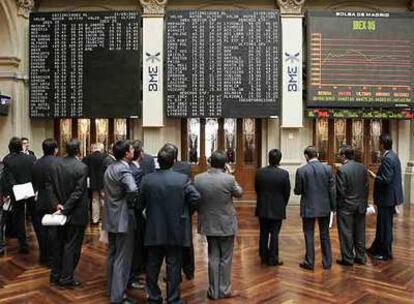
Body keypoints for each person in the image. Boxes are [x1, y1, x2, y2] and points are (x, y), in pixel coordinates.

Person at [139, 146, 200, 304]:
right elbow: (196, 198)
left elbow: (139, 204)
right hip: (176, 229)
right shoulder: (182, 179)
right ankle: (173, 299)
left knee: (152, 265)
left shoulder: (147, 180)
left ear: (157, 162)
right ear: (174, 161)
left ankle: (154, 297)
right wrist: (186, 212)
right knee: (173, 266)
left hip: (153, 228)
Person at [194, 151, 243, 300]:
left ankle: (213, 291)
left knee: (213, 256)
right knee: (226, 258)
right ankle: (224, 290)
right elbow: (239, 193)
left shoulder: (198, 178)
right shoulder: (229, 179)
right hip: (226, 223)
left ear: (210, 162)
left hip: (208, 222)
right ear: (225, 164)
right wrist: (229, 173)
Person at [47, 139, 88, 288]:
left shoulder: (55, 164)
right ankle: (66, 278)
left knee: (58, 245)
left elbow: (48, 186)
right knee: (72, 247)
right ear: (78, 150)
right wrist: (64, 208)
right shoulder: (81, 167)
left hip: (58, 212)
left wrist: (56, 205)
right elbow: (78, 192)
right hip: (75, 213)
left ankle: (55, 276)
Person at [103, 140, 138, 304]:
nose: (133, 151)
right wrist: (130, 202)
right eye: (131, 150)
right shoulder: (124, 168)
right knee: (122, 258)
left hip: (110, 216)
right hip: (123, 217)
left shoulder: (110, 166)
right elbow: (132, 189)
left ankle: (110, 289)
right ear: (126, 154)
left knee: (112, 254)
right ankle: (118, 296)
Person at [294, 146, 336, 271]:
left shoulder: (301, 170)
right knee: (325, 235)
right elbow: (332, 190)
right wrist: (333, 208)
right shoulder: (328, 169)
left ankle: (309, 262)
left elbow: (298, 191)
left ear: (306, 156)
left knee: (309, 234)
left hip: (308, 206)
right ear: (317, 155)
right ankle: (327, 262)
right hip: (324, 206)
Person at [367, 134, 403, 261]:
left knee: (385, 226)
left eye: (379, 142)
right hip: (389, 197)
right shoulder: (393, 155)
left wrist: (374, 176)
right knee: (382, 225)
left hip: (387, 198)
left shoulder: (388, 158)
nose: (378, 144)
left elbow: (386, 179)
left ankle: (386, 253)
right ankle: (376, 247)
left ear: (382, 144)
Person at [163, 143, 195, 280]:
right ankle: (189, 271)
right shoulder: (186, 166)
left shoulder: (163, 168)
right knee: (187, 243)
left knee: (170, 245)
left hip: (167, 210)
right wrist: (191, 210)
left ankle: (174, 273)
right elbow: (193, 193)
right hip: (184, 209)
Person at [254, 149, 290, 266]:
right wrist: (282, 204)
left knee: (263, 232)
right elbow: (287, 192)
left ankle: (263, 257)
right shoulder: (284, 174)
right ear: (279, 159)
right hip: (277, 207)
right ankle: (273, 258)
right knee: (275, 234)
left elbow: (257, 190)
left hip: (263, 206)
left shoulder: (259, 172)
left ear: (268, 158)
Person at [336, 145, 369, 266]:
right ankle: (360, 257)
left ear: (344, 156)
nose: (339, 157)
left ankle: (348, 258)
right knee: (360, 232)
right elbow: (366, 188)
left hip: (346, 207)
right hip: (360, 205)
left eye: (339, 155)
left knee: (346, 233)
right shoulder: (362, 168)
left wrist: (338, 206)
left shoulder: (342, 170)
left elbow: (341, 191)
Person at [2, 137, 36, 254]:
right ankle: (42, 242)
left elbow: (7, 178)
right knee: (35, 217)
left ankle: (23, 245)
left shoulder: (7, 160)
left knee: (19, 218)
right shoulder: (31, 158)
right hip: (30, 190)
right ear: (21, 147)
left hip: (16, 191)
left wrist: (9, 191)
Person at [31, 138, 59, 266]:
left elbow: (34, 182)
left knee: (41, 230)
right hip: (55, 200)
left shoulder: (36, 163)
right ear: (55, 149)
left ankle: (43, 256)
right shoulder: (58, 163)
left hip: (40, 200)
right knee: (54, 230)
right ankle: (52, 257)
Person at [128, 140, 146, 290]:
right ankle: (132, 275)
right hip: (135, 214)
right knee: (134, 244)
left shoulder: (125, 168)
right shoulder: (137, 171)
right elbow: (137, 195)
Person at [82, 142, 108, 224]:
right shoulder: (106, 157)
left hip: (92, 182)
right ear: (101, 149)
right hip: (104, 183)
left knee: (94, 200)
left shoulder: (87, 158)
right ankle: (104, 219)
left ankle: (95, 219)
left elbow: (83, 170)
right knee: (104, 200)